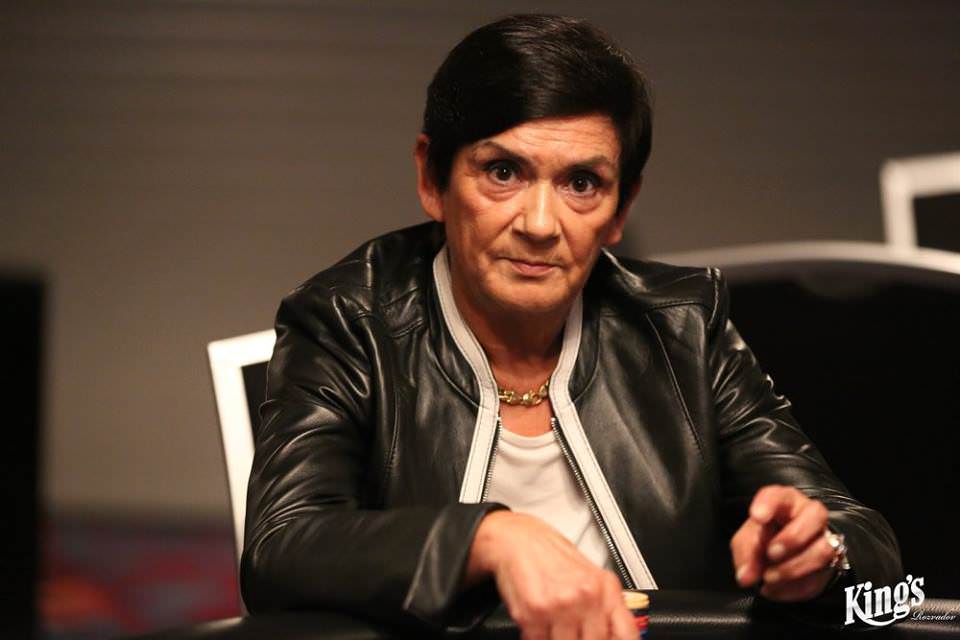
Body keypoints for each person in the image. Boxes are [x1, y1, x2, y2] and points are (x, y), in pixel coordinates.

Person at [241, 14, 902, 638]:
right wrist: (487, 538)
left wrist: (820, 551)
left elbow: (863, 537)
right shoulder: (348, 320)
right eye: (503, 172)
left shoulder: (683, 327)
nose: (539, 224)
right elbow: (282, 547)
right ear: (432, 179)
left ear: (620, 208)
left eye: (581, 183)